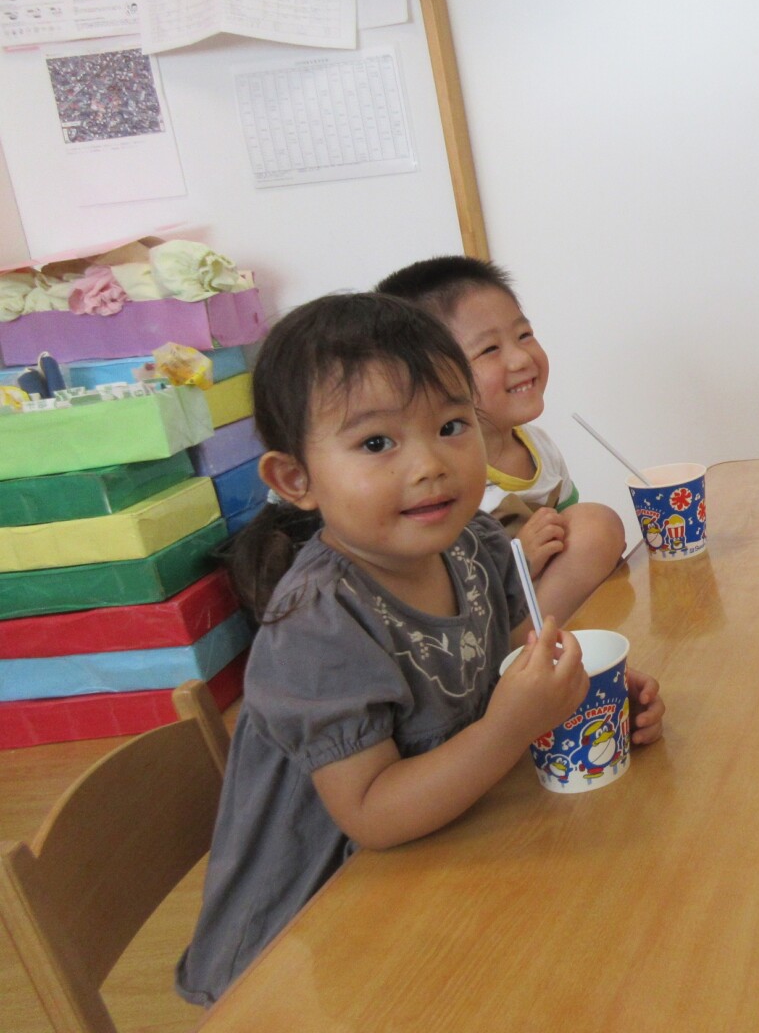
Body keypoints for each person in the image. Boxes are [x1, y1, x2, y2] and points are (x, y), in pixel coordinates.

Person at [176, 293, 664, 1005]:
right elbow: (371, 813)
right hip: (311, 946)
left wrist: (582, 691)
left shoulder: (474, 543)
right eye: (377, 443)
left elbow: (518, 655)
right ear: (295, 479)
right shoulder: (319, 624)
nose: (431, 463)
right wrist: (512, 724)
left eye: (451, 426)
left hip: (453, 865)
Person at [376, 257, 627, 627]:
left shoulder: (538, 446)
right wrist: (517, 561)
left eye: (524, 335)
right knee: (597, 526)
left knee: (595, 525)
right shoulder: (440, 476)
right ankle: (519, 646)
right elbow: (439, 585)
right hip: (484, 623)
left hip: (550, 603)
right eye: (489, 349)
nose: (521, 358)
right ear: (428, 377)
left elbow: (574, 530)